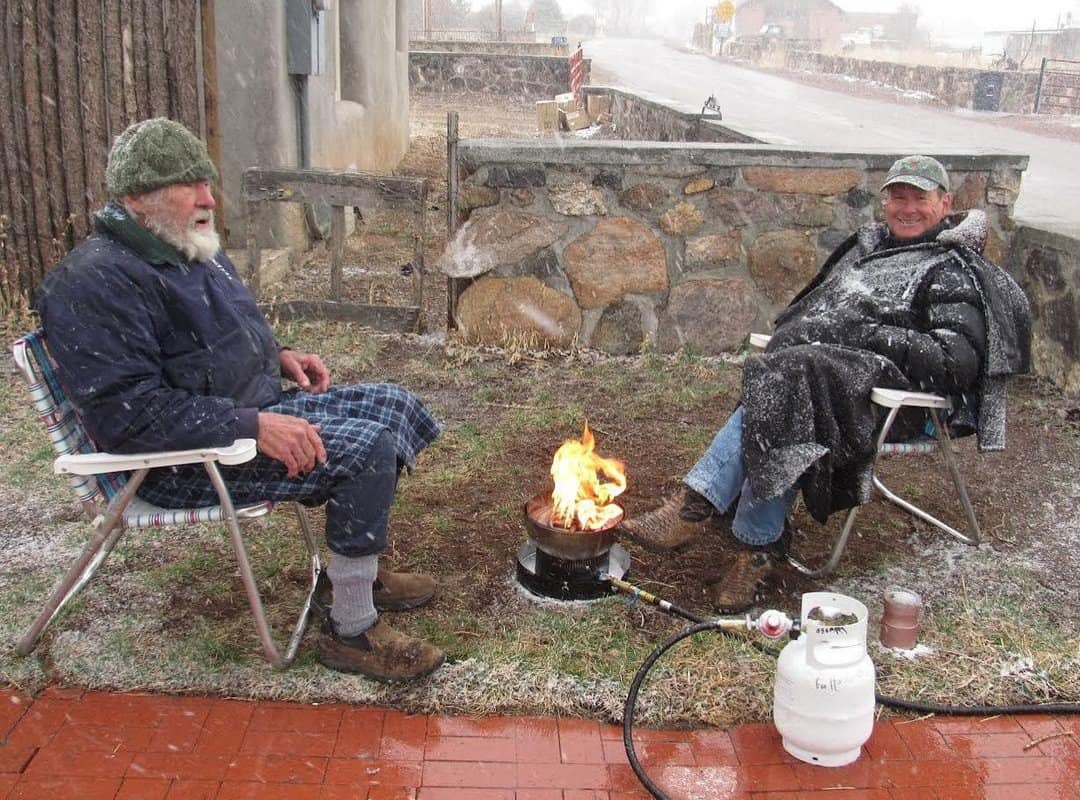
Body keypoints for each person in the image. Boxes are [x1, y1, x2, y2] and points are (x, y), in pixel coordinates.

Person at [34, 117, 444, 682]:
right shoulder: (93, 284)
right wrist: (254, 426)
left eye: (206, 181)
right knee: (366, 449)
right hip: (182, 461)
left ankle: (357, 573)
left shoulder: (182, 244)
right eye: (189, 186)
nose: (208, 198)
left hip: (235, 418)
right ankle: (352, 630)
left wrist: (277, 355)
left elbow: (210, 339)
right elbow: (128, 417)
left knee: (393, 404)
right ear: (136, 199)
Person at [621, 155, 1031, 612]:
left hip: (902, 406)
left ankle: (700, 506)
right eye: (899, 197)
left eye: (921, 198)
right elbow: (812, 317)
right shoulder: (869, 253)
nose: (908, 208)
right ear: (886, 201)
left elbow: (955, 363)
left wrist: (872, 334)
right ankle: (752, 543)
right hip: (829, 388)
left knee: (790, 383)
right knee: (786, 383)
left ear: (945, 203)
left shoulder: (948, 269)